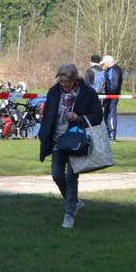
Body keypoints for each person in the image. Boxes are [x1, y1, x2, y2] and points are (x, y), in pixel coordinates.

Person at [38, 63, 104, 229]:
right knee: (56, 175)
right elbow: (47, 116)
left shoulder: (88, 93)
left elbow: (97, 116)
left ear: (74, 79)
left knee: (71, 177)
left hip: (76, 140)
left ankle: (69, 214)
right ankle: (74, 202)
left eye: (66, 81)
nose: (63, 84)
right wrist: (43, 133)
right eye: (60, 81)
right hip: (57, 140)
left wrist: (78, 117)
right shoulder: (53, 92)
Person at [102, 55, 123, 141]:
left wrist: (108, 94)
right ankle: (107, 133)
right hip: (108, 96)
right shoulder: (110, 70)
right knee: (107, 113)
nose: (103, 65)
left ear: (108, 62)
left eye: (104, 63)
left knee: (111, 114)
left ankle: (112, 134)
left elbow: (114, 85)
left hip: (112, 96)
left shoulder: (115, 70)